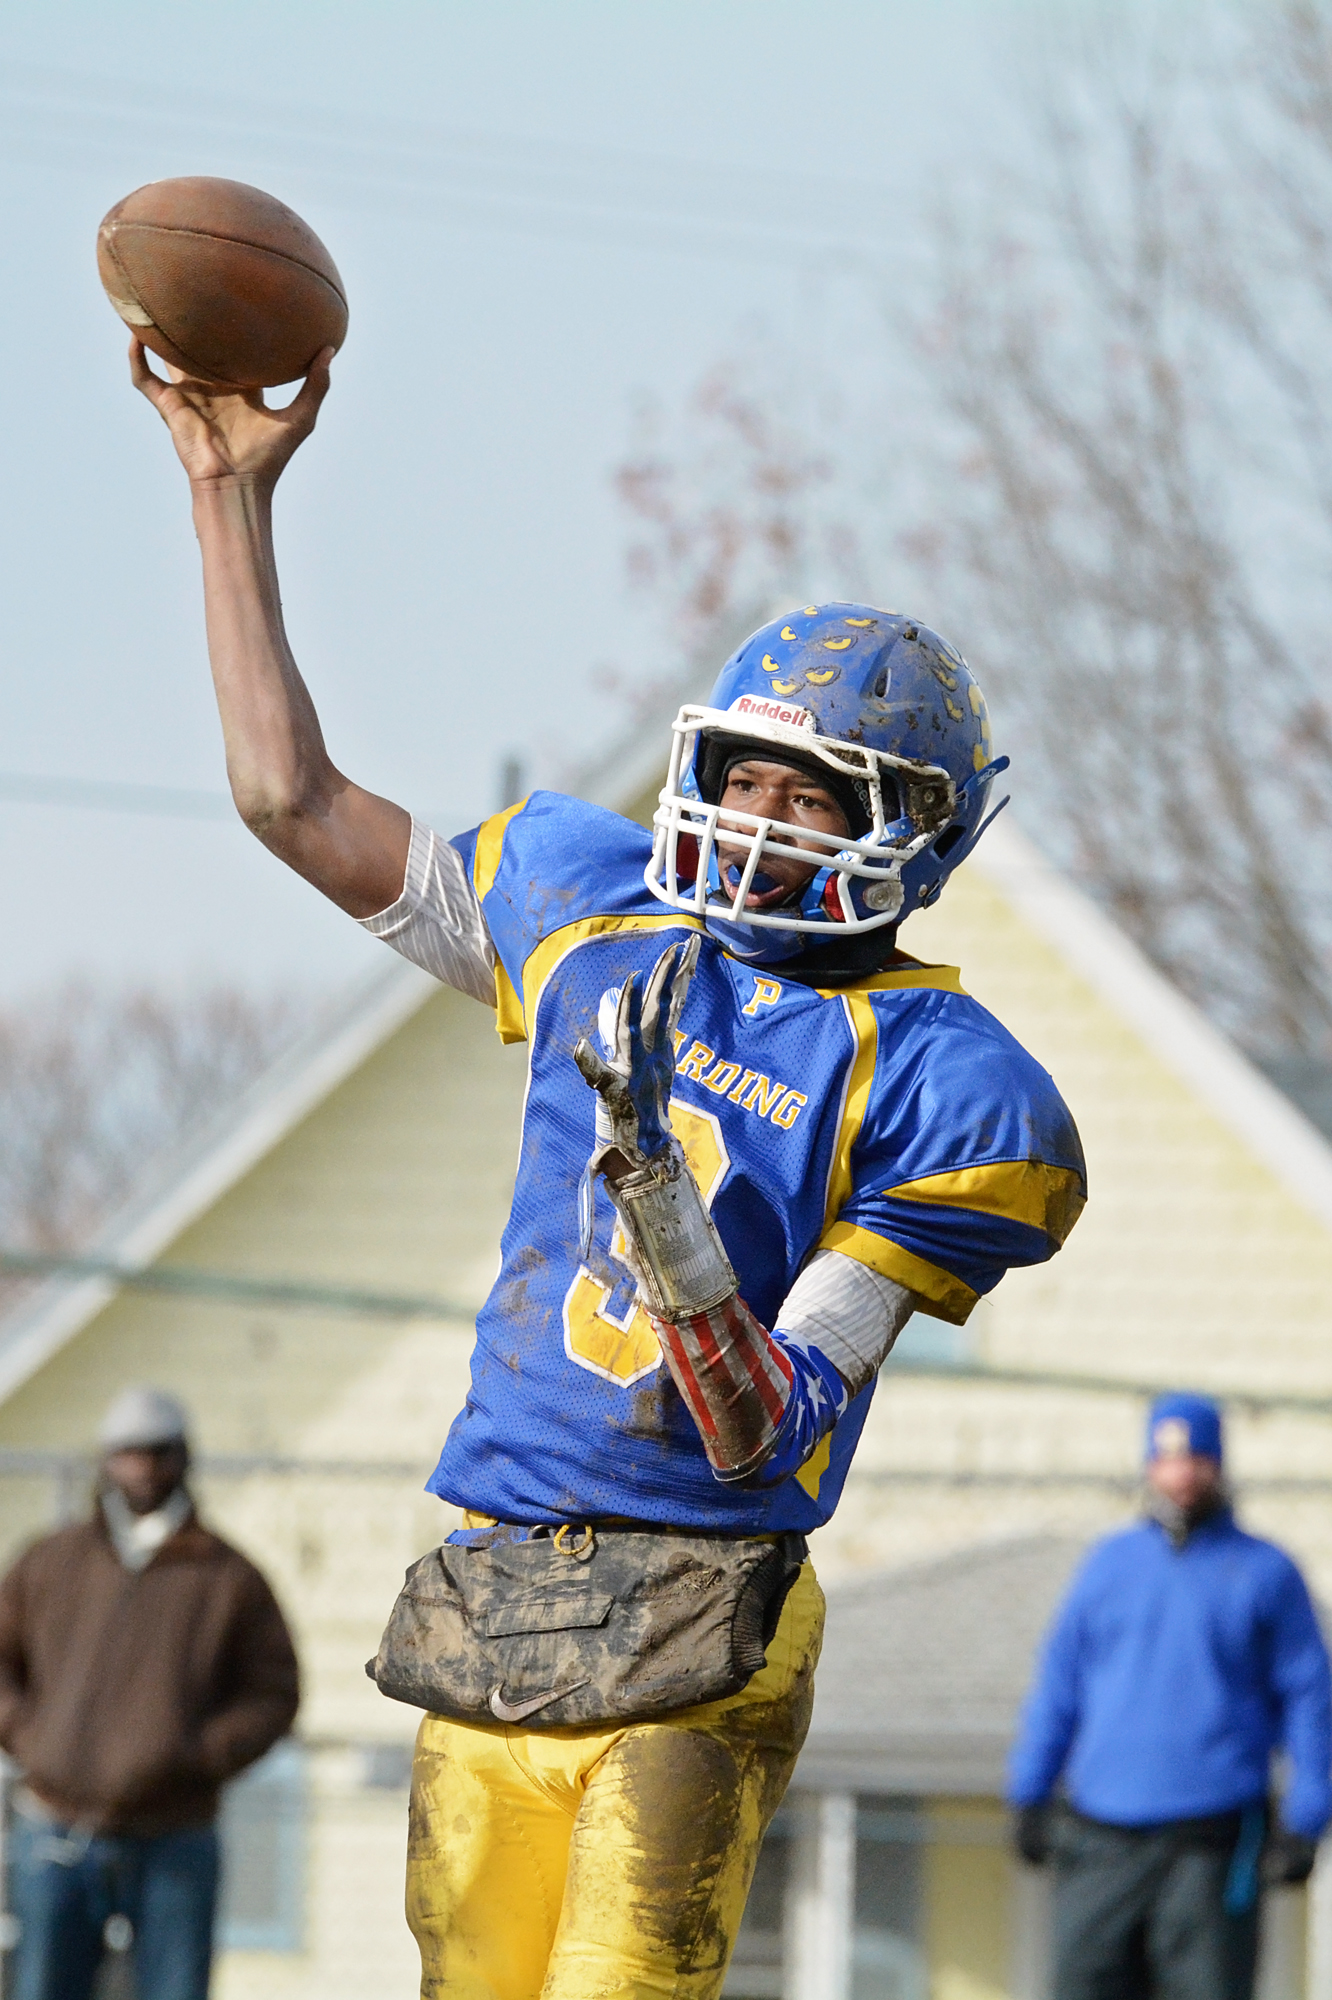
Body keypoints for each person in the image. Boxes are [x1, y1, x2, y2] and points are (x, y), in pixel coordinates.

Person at [128, 338, 1087, 2000]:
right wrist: (228, 500)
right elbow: (287, 799)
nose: (760, 818)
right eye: (743, 777)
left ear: (909, 828)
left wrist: (659, 1200)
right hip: (496, 1569)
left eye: (815, 792)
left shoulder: (941, 1081)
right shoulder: (593, 910)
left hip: (699, 1612)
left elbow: (761, 1426)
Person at [1008, 1391, 1332, 2000]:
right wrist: (1029, 1791)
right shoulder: (1108, 1565)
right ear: (1149, 1466)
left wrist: (1307, 1818)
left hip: (1209, 1846)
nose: (1181, 1474)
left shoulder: (1265, 1572)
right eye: (1167, 1459)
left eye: (1196, 1460)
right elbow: (1060, 1685)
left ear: (1217, 1466)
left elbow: (1311, 1702)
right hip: (1100, 1839)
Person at [0, 1386, 300, 2000]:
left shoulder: (228, 1577)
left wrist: (194, 1755)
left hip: (175, 1837)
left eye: (157, 1453)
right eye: (126, 1453)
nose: (142, 1468)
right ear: (106, 1461)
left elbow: (273, 1693)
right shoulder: (50, 1561)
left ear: (183, 1458)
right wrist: (29, 1738)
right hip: (54, 1832)